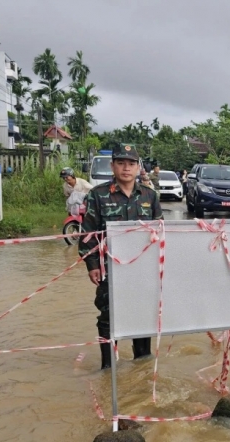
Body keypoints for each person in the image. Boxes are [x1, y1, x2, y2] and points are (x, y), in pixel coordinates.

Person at [79, 143, 162, 370]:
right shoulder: (98, 195)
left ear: (138, 167)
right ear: (113, 165)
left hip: (143, 271)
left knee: (143, 316)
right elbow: (87, 234)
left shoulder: (150, 196)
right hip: (109, 270)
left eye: (131, 163)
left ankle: (142, 366)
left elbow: (161, 234)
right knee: (107, 317)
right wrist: (92, 265)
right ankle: (108, 369)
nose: (126, 168)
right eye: (121, 163)